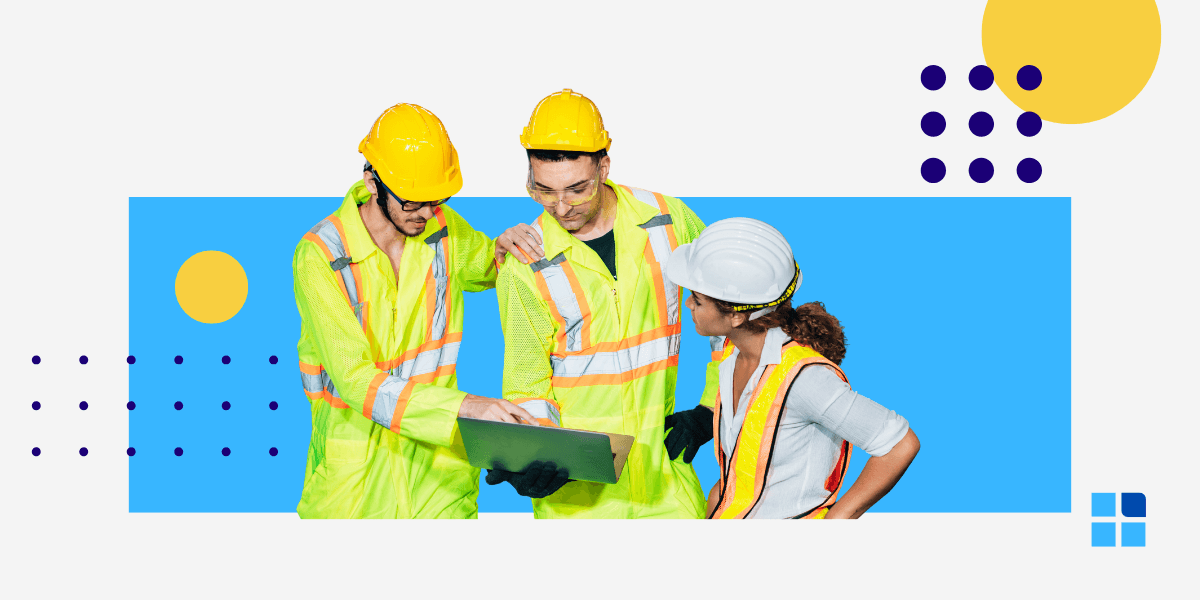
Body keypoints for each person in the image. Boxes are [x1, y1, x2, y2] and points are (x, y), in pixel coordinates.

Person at [292, 103, 555, 519]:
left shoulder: (440, 226)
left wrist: (507, 246)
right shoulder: (322, 256)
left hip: (439, 475)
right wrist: (468, 408)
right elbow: (356, 381)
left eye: (437, 200)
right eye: (413, 202)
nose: (426, 213)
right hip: (357, 483)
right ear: (371, 182)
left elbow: (489, 265)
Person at [490, 89, 722, 518]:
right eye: (543, 191)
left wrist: (712, 407)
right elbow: (527, 382)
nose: (561, 207)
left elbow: (734, 309)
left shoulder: (667, 221)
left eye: (576, 189)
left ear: (604, 167)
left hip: (665, 486)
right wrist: (536, 452)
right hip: (578, 501)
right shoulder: (525, 262)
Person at [666, 217, 920, 519]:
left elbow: (900, 444)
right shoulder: (731, 352)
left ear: (735, 316)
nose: (688, 305)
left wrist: (839, 519)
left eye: (696, 299)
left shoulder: (804, 379)